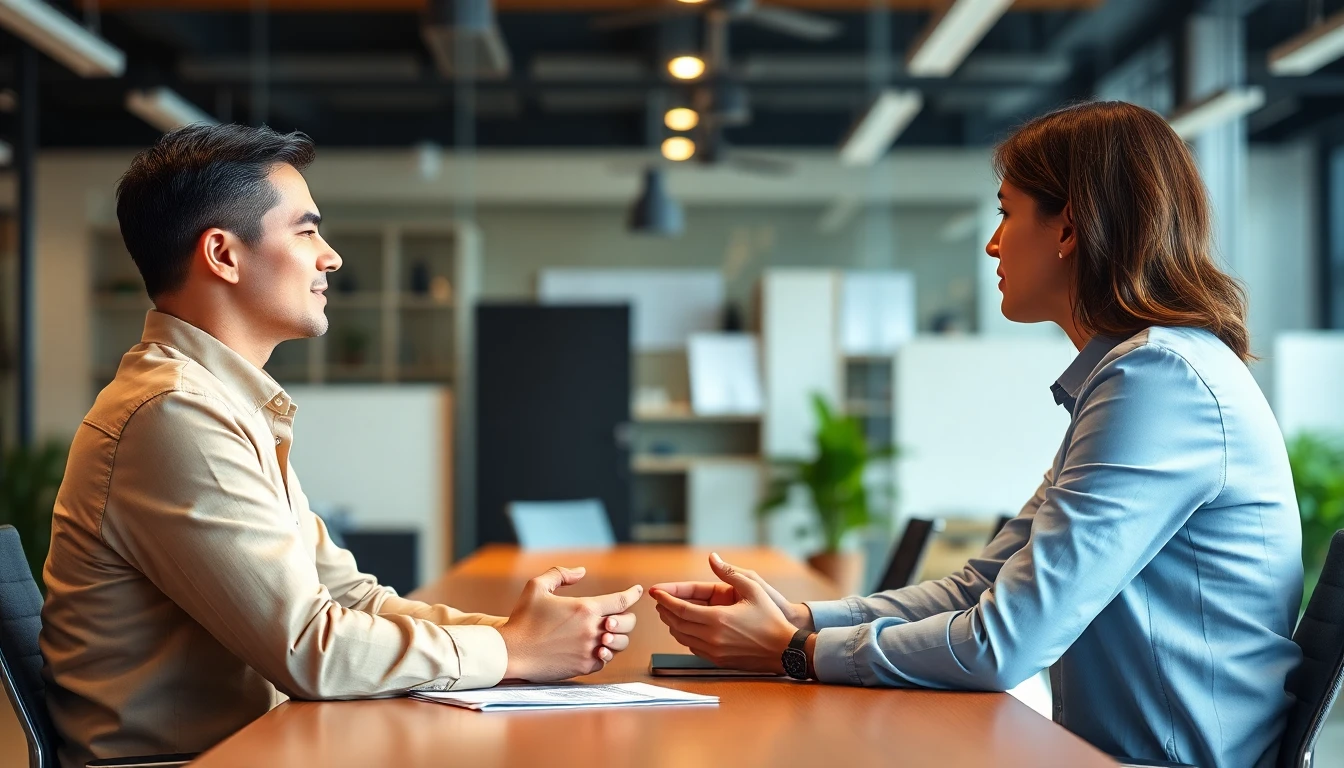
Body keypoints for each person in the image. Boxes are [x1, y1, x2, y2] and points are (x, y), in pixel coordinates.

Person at [651, 101, 1302, 768]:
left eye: (1006, 212)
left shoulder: (1156, 381)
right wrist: (802, 619)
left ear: (1069, 226)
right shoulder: (1140, 374)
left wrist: (794, 652)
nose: (993, 243)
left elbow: (1003, 644)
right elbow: (977, 589)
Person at [40, 124, 642, 768]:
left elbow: (350, 598)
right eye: (305, 232)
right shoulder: (174, 413)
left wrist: (517, 636)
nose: (330, 257)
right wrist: (515, 651)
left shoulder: (223, 401)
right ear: (223, 254)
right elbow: (311, 651)